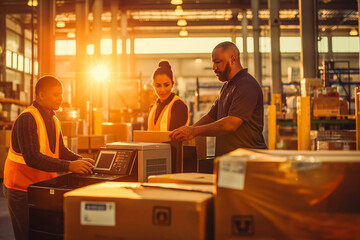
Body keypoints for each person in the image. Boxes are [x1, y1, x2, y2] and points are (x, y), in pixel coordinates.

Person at [3, 76, 95, 240]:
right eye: (56, 95)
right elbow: (32, 157)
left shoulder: (54, 120)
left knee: (43, 234)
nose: (61, 99)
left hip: (42, 188)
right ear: (41, 95)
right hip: (20, 189)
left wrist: (82, 161)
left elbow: (60, 150)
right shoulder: (27, 119)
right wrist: (69, 166)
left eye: (61, 94)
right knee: (26, 236)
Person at [170, 41, 267, 156]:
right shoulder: (227, 86)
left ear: (233, 59)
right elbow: (212, 116)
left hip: (248, 161)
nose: (213, 67)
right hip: (230, 161)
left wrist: (194, 131)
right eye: (213, 62)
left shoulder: (246, 85)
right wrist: (189, 130)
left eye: (218, 62)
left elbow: (230, 124)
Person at [148, 60, 189, 131]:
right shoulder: (153, 108)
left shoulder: (178, 106)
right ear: (153, 85)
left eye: (166, 85)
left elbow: (176, 139)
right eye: (158, 86)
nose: (162, 90)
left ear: (172, 84)